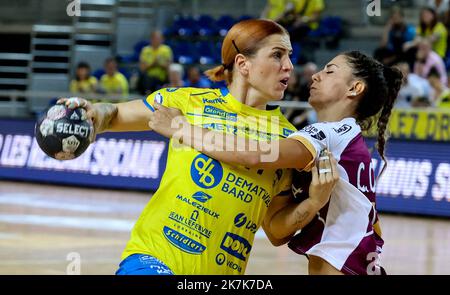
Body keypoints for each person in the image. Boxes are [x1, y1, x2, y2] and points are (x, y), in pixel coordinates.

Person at [57, 19, 336, 275]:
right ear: (243, 64)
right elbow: (114, 115)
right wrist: (92, 113)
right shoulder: (188, 101)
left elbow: (276, 230)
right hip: (152, 259)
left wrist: (314, 203)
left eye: (289, 56)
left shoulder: (288, 137)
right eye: (277, 55)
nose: (288, 65)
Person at [148, 50, 403, 275]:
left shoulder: (331, 134)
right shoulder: (342, 138)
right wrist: (313, 203)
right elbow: (276, 232)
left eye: (330, 71)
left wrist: (181, 129)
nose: (315, 75)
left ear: (354, 88)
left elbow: (256, 155)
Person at [137, 30, 173, 95]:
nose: (157, 40)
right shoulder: (145, 50)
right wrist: (153, 64)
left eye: (159, 38)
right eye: (155, 38)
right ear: (151, 39)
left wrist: (159, 64)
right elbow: (142, 68)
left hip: (162, 77)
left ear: (162, 39)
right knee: (143, 79)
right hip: (148, 77)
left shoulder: (166, 50)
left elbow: (169, 66)